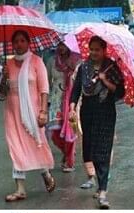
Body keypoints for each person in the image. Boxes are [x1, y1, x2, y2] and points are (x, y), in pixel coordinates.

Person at [0, 30, 57, 202]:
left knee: (35, 145)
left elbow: (44, 90)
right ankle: (20, 189)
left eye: (22, 40)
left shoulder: (36, 62)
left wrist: (44, 112)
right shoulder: (8, 65)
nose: (19, 44)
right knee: (15, 148)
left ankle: (45, 172)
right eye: (16, 41)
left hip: (32, 113)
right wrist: (4, 78)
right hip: (12, 112)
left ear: (28, 42)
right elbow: (1, 93)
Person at [69, 36, 125, 209]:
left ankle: (103, 191)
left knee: (103, 151)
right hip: (88, 111)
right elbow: (76, 89)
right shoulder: (83, 67)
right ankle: (99, 182)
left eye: (97, 49)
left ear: (104, 50)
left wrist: (104, 80)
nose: (93, 52)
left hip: (106, 111)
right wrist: (72, 109)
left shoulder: (111, 67)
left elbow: (120, 91)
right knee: (90, 150)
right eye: (91, 49)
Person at [46, 42, 81, 173]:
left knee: (70, 131)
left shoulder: (76, 60)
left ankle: (69, 161)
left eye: (64, 44)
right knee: (55, 133)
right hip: (55, 101)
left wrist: (72, 68)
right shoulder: (51, 61)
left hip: (71, 101)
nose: (61, 48)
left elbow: (80, 80)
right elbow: (47, 80)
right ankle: (66, 152)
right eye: (59, 44)